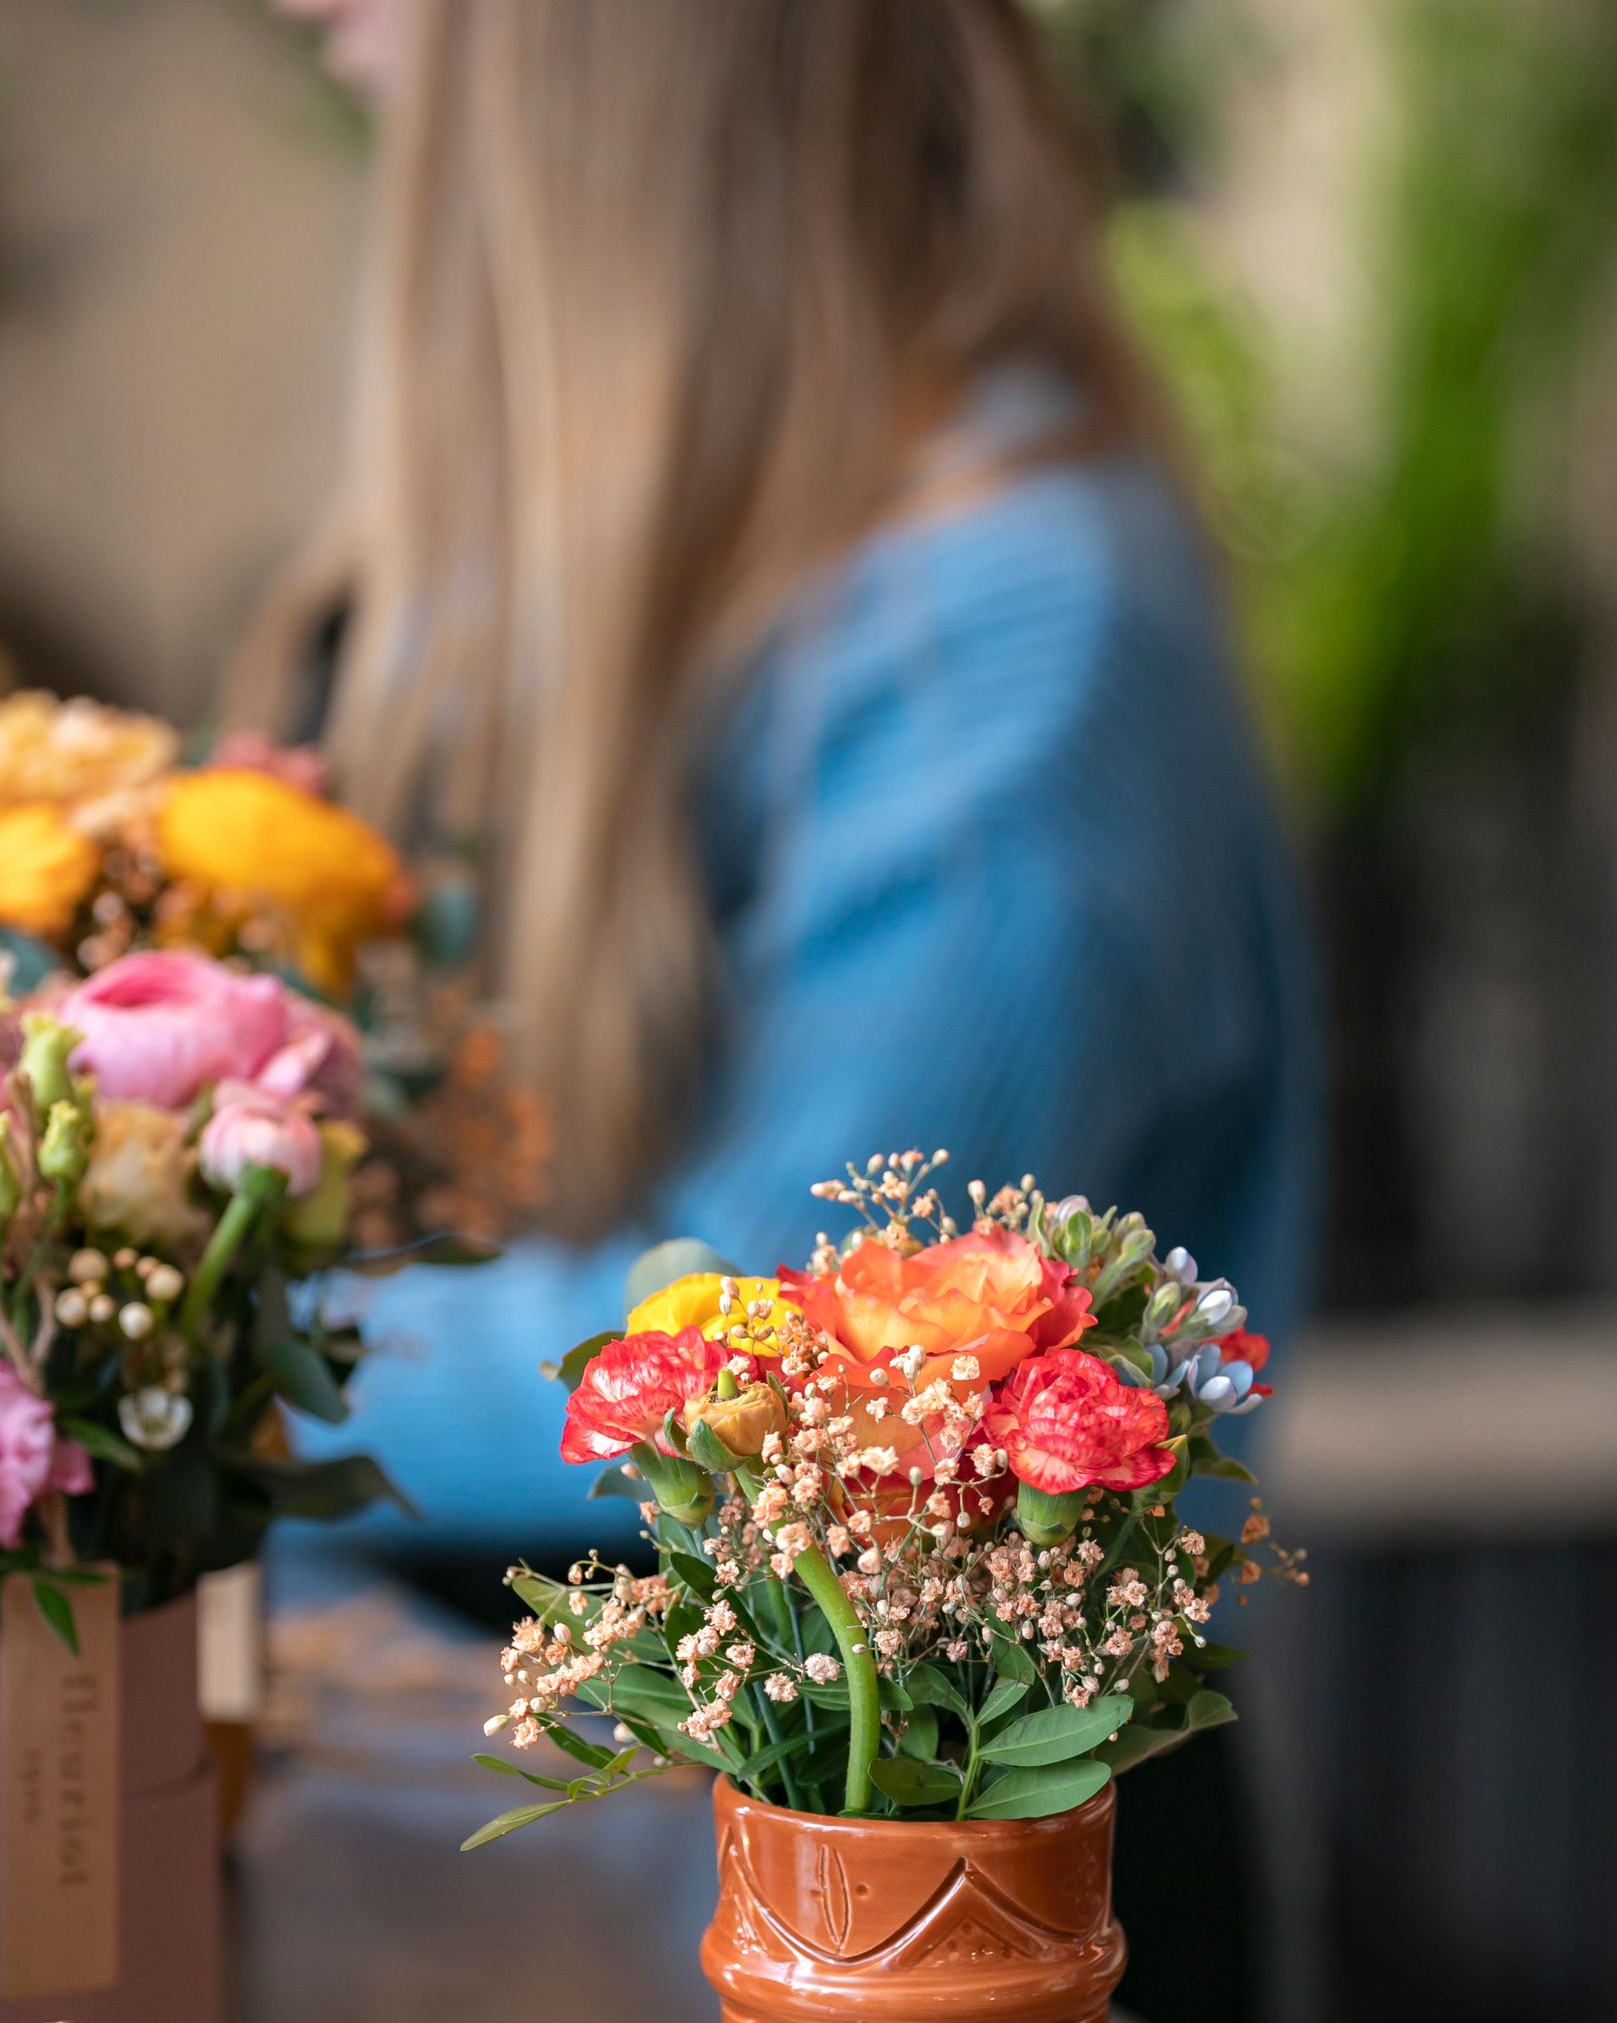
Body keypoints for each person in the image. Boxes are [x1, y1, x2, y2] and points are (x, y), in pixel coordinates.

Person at [234, 0, 1321, 1581]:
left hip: (911, 1824)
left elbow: (779, 1375)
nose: (304, 9)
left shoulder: (1012, 649)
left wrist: (165, 1352)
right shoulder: (707, 566)